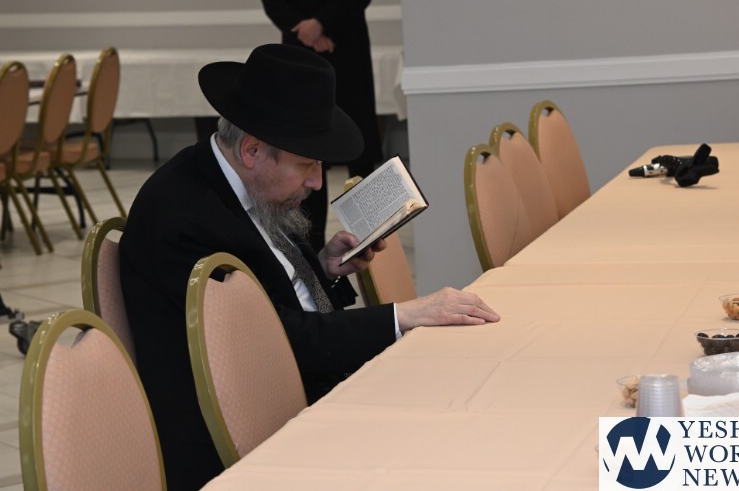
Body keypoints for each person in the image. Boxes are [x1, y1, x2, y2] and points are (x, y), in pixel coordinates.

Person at [118, 44, 499, 491]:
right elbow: (270, 344)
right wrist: (403, 315)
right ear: (252, 150)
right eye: (307, 164)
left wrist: (323, 269)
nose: (317, 181)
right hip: (239, 431)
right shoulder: (184, 219)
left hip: (294, 377)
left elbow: (271, 290)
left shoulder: (246, 184)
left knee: (469, 393)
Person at [259, 0, 383, 251]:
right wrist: (304, 29)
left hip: (347, 50)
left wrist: (321, 24)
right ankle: (310, 246)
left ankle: (374, 236)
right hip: (300, 56)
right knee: (306, 151)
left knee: (360, 148)